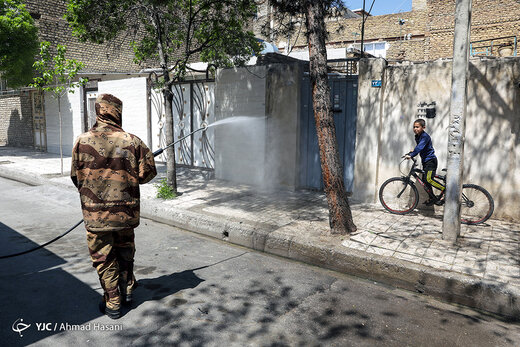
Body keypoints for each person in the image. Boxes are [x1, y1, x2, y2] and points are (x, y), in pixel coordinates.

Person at [71, 94, 157, 319]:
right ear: (118, 112)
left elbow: (75, 177)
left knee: (104, 258)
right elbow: (147, 174)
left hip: (95, 214)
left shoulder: (82, 140)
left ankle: (113, 302)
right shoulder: (133, 141)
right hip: (125, 213)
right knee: (125, 251)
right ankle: (127, 290)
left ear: (99, 111)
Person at [405, 118, 445, 206]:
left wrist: (412, 155)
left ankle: (444, 190)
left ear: (423, 127)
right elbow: (420, 147)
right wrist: (413, 151)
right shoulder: (418, 136)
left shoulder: (425, 136)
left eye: (417, 127)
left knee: (429, 179)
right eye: (414, 127)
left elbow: (420, 147)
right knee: (425, 181)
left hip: (430, 161)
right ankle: (432, 198)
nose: (415, 129)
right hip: (426, 162)